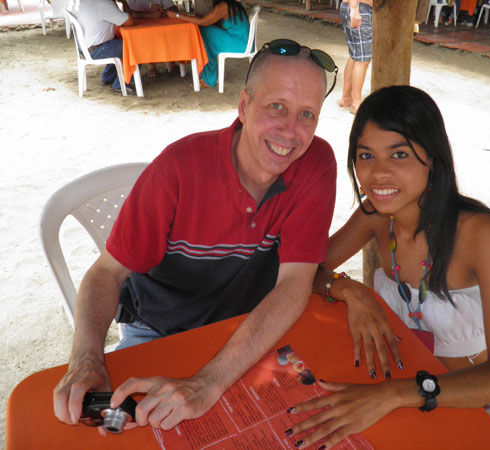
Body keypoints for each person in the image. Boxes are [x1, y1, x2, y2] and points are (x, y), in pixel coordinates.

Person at [53, 38, 339, 432]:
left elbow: (294, 285)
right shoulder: (178, 168)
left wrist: (208, 383)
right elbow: (107, 272)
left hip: (245, 330)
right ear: (243, 106)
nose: (290, 131)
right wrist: (86, 358)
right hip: (156, 331)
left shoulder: (316, 163)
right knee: (117, 432)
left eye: (307, 114)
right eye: (277, 107)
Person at [283, 86, 490, 449]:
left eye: (399, 154)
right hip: (406, 393)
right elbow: (302, 270)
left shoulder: (481, 233)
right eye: (366, 155)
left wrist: (395, 394)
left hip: (485, 410)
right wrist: (350, 290)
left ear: (432, 157)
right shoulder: (375, 216)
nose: (379, 173)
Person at [73, 0, 153, 94]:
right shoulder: (103, 4)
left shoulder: (85, 1)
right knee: (137, 48)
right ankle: (122, 84)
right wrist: (124, 3)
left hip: (86, 48)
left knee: (117, 42)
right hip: (97, 50)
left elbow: (120, 15)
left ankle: (108, 77)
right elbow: (129, 21)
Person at [165, 0, 249, 88]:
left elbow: (203, 22)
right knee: (207, 33)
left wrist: (177, 16)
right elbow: (207, 20)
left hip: (240, 44)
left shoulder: (224, 6)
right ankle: (209, 77)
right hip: (241, 42)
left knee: (205, 32)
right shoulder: (229, 4)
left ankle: (209, 80)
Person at [123, 0, 179, 78]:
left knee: (169, 34)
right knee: (147, 38)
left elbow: (174, 9)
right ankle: (152, 66)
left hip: (160, 25)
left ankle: (172, 62)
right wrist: (148, 15)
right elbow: (128, 13)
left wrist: (163, 11)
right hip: (140, 27)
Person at [338, 0, 372, 114]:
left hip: (357, 7)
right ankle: (356, 103)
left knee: (355, 55)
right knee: (363, 58)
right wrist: (354, 8)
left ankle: (346, 97)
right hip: (360, 8)